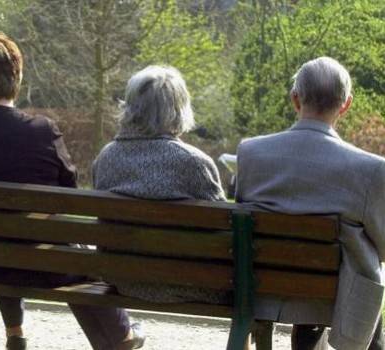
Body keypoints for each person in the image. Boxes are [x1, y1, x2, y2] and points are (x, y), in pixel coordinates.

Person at [0, 33, 145, 350]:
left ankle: (5, 331)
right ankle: (121, 336)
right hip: (42, 266)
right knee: (73, 249)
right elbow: (68, 190)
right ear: (16, 79)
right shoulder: (43, 131)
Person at [236, 57, 385, 350]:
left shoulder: (251, 153)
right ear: (346, 105)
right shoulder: (371, 169)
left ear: (295, 99)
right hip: (334, 295)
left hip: (263, 290)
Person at [92, 65, 228, 303]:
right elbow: (226, 234)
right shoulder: (195, 163)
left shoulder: (106, 158)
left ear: (131, 107)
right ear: (179, 109)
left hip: (125, 279)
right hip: (194, 283)